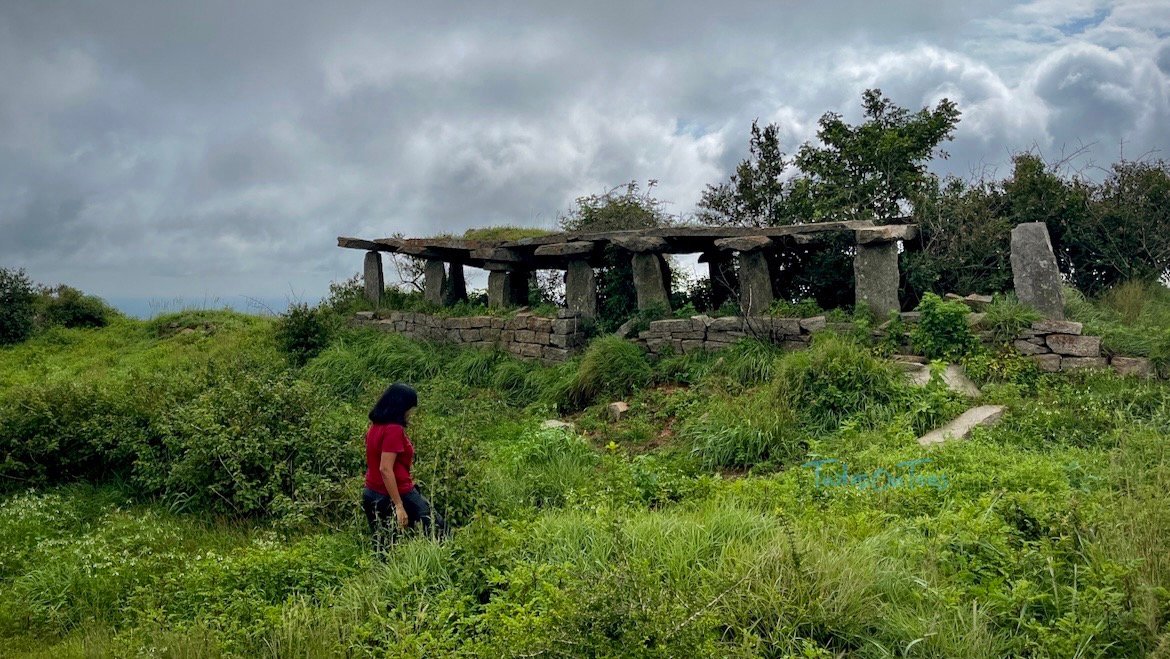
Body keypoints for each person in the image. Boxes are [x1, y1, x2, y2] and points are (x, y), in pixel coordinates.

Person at [361, 383, 447, 552]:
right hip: (397, 492)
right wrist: (399, 505)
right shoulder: (394, 429)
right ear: (401, 407)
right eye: (409, 408)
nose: (410, 413)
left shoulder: (375, 427)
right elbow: (385, 469)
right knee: (438, 527)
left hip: (371, 493)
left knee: (384, 546)